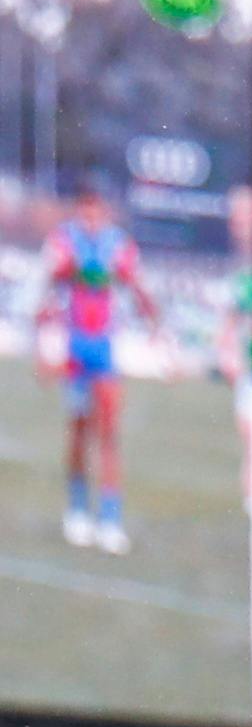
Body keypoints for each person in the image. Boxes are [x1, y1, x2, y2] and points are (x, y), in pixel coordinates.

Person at [37, 183, 156, 550]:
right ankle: (76, 510)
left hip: (103, 347)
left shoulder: (117, 245)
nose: (91, 218)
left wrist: (151, 316)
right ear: (78, 211)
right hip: (73, 348)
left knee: (109, 432)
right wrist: (44, 348)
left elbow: (135, 285)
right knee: (78, 430)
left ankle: (109, 518)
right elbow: (48, 286)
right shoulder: (63, 242)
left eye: (97, 212)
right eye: (85, 211)